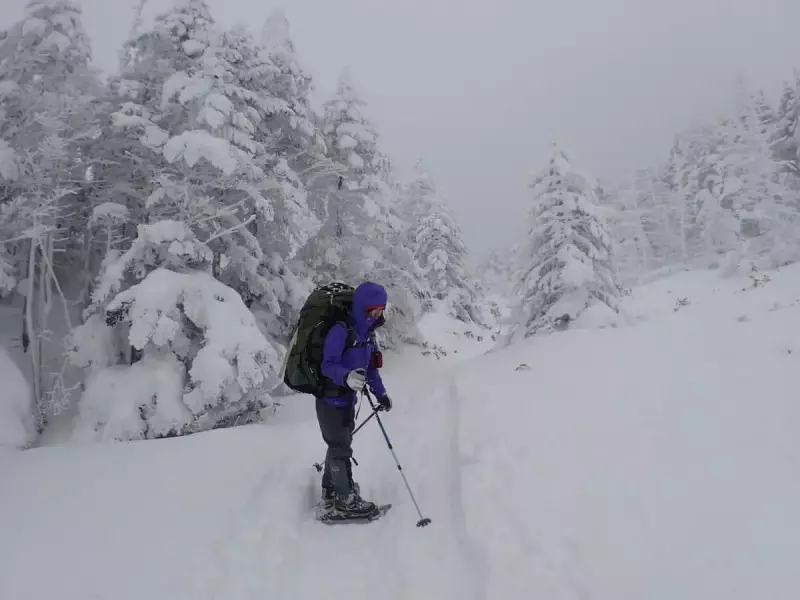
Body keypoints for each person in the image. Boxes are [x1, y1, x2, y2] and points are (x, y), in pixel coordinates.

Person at [316, 281, 393, 517]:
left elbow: (370, 370)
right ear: (362, 307)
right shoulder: (341, 330)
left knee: (340, 444)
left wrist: (381, 394)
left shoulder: (368, 335)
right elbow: (327, 365)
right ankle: (345, 501)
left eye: (381, 309)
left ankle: (332, 490)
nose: (378, 314)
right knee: (340, 448)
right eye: (373, 310)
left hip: (348, 400)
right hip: (330, 399)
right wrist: (346, 376)